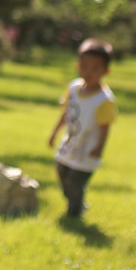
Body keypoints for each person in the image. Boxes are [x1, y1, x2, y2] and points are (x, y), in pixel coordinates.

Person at [47, 39, 116, 219]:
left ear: (105, 71)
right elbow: (66, 113)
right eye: (85, 66)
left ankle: (74, 214)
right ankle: (76, 202)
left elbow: (104, 127)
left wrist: (99, 148)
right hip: (69, 144)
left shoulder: (104, 100)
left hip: (87, 150)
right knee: (62, 173)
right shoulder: (73, 88)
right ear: (78, 66)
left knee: (76, 183)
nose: (89, 72)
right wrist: (54, 133)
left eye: (95, 68)